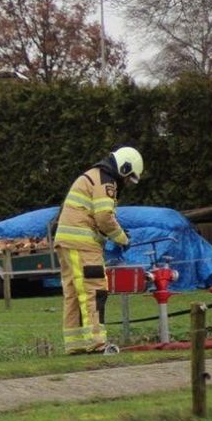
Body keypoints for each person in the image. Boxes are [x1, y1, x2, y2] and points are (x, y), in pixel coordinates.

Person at [52, 146, 143, 354]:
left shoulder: (93, 176)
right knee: (94, 291)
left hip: (67, 242)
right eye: (128, 178)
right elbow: (104, 217)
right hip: (83, 244)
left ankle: (75, 344)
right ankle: (96, 343)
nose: (127, 183)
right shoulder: (105, 181)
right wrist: (122, 239)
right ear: (124, 168)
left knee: (74, 294)